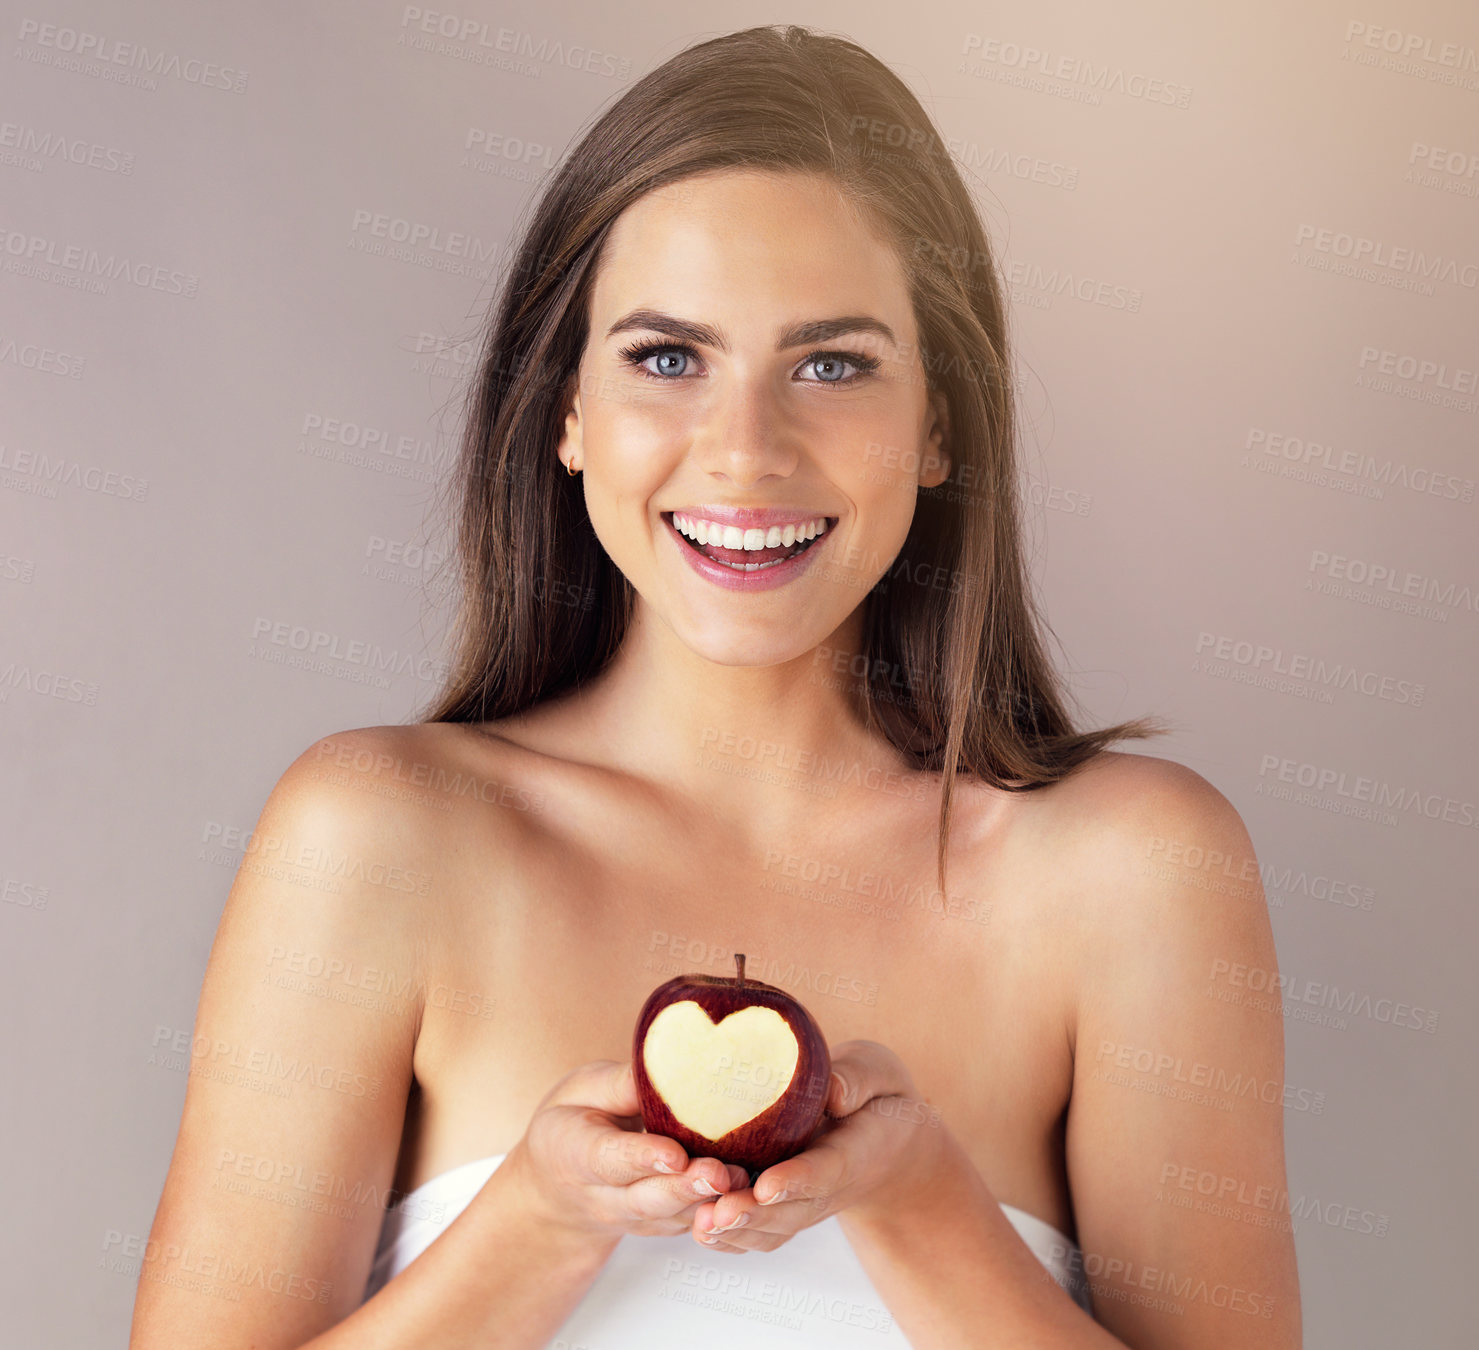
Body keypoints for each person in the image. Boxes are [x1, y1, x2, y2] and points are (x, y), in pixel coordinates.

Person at [129, 23, 1301, 1349]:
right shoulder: (375, 837)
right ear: (565, 406)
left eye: (833, 363)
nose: (745, 453)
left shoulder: (1137, 869)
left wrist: (920, 1199)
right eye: (668, 357)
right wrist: (538, 1218)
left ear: (937, 426)